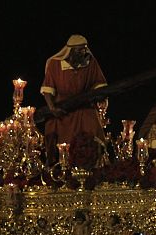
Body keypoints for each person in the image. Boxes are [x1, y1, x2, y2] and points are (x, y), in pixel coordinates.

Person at [41, 35, 108, 165]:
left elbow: (100, 85)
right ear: (70, 51)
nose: (83, 53)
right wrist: (52, 108)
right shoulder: (55, 64)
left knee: (93, 136)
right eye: (79, 50)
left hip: (85, 108)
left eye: (84, 49)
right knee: (57, 139)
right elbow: (47, 89)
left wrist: (102, 98)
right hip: (62, 110)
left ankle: (93, 170)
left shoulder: (90, 62)